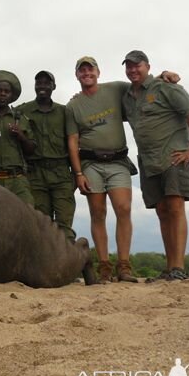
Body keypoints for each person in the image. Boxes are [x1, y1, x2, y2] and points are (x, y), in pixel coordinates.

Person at [122, 50, 189, 281]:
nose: (133, 70)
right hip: (148, 161)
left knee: (176, 208)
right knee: (162, 211)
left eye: (137, 65)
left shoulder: (165, 87)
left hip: (173, 156)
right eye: (128, 66)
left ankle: (179, 267)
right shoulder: (127, 95)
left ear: (147, 66)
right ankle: (169, 268)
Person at [66, 57, 139, 284]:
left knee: (123, 208)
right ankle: (105, 265)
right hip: (91, 163)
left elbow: (142, 87)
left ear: (98, 71)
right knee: (98, 213)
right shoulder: (73, 106)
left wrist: (166, 76)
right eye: (82, 70)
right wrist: (78, 173)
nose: (87, 73)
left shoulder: (115, 89)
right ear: (77, 75)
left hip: (118, 160)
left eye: (90, 69)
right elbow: (72, 141)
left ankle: (124, 266)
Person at [17, 71, 76, 241]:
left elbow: (74, 142)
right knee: (41, 224)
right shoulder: (23, 110)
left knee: (65, 225)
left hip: (61, 174)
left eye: (46, 83)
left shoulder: (65, 112)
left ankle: (67, 265)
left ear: (53, 87)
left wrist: (76, 174)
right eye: (39, 83)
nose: (42, 86)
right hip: (35, 174)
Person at [0, 70, 36, 205]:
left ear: (11, 95)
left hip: (17, 180)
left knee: (28, 214)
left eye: (7, 91)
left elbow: (31, 149)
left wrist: (21, 136)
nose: (3, 94)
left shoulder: (20, 118)